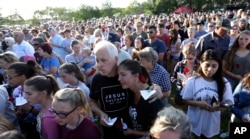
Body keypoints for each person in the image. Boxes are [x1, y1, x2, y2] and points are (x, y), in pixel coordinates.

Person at [89, 40, 163, 139]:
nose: (99, 65)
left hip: (133, 130)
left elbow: (145, 86)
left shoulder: (126, 74)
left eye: (103, 60)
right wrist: (100, 113)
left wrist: (156, 88)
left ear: (115, 59)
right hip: (110, 131)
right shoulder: (97, 79)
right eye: (97, 60)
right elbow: (92, 101)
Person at [181, 49, 234, 139]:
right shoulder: (193, 81)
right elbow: (185, 99)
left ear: (219, 66)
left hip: (211, 122)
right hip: (194, 120)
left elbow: (227, 104)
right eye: (207, 65)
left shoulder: (224, 83)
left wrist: (218, 107)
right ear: (201, 63)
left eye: (214, 66)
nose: (210, 69)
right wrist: (198, 103)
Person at [118, 59, 164, 139]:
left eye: (123, 75)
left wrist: (133, 132)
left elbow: (160, 131)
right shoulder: (130, 92)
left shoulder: (151, 98)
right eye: (118, 75)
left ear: (136, 76)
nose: (119, 79)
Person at [6, 61, 41, 139]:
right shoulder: (16, 91)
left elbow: (49, 111)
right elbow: (19, 109)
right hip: (25, 126)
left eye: (10, 77)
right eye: (7, 77)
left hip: (39, 126)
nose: (8, 80)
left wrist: (30, 109)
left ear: (22, 76)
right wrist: (19, 112)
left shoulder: (38, 90)